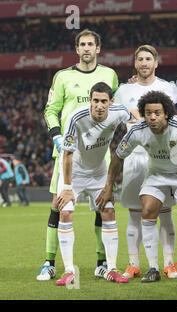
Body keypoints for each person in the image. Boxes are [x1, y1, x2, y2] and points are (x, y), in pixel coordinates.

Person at [97, 91, 177, 283]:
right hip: (156, 175)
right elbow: (118, 156)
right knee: (147, 209)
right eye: (148, 113)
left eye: (157, 113)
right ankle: (153, 267)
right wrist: (108, 187)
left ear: (166, 114)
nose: (152, 117)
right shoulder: (138, 130)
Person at [39, 29, 119, 281]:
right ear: (76, 49)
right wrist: (56, 135)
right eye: (81, 44)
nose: (86, 48)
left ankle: (102, 262)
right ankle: (49, 262)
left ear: (98, 49)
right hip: (68, 152)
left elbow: (116, 105)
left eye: (90, 45)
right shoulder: (62, 77)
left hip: (99, 153)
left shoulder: (109, 75)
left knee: (103, 206)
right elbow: (51, 110)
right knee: (58, 204)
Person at [113, 45, 177, 279]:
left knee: (165, 212)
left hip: (163, 158)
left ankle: (169, 263)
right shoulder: (124, 90)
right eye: (140, 59)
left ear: (156, 63)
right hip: (135, 157)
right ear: (135, 64)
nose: (144, 63)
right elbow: (114, 115)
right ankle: (134, 263)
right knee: (135, 213)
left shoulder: (168, 88)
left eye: (148, 59)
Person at [55, 82, 131, 285]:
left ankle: (112, 269)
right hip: (74, 172)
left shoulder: (118, 112)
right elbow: (67, 154)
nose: (99, 105)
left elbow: (134, 117)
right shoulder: (77, 117)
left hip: (98, 172)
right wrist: (68, 188)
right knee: (65, 212)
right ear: (90, 100)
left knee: (109, 212)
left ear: (111, 102)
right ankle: (69, 271)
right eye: (95, 100)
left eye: (103, 101)